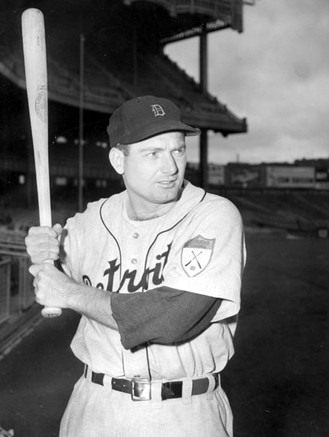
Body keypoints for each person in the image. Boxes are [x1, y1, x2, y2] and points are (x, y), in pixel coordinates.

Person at [26, 95, 246, 437]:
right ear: (118, 160)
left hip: (185, 414)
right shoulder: (88, 222)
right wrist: (42, 255)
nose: (171, 167)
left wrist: (68, 291)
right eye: (153, 153)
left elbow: (172, 318)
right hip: (95, 409)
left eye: (177, 150)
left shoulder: (213, 215)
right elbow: (47, 286)